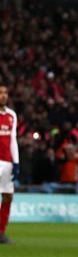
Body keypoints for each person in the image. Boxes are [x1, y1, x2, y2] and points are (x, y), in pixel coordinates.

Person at [0, 85, 19, 245]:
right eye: (0, 93)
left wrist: (16, 162)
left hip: (7, 162)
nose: (3, 95)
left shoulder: (12, 115)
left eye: (5, 92)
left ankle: (1, 232)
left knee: (8, 196)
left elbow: (13, 140)